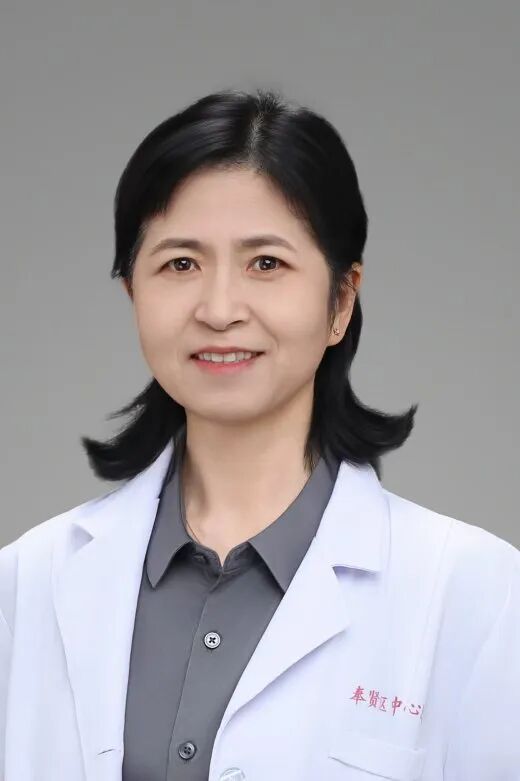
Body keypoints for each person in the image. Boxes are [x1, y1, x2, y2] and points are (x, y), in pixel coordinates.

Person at [0, 88, 518, 781]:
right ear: (134, 295)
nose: (219, 309)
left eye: (266, 263)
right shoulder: (25, 583)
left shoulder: (477, 593)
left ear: (340, 301)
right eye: (181, 264)